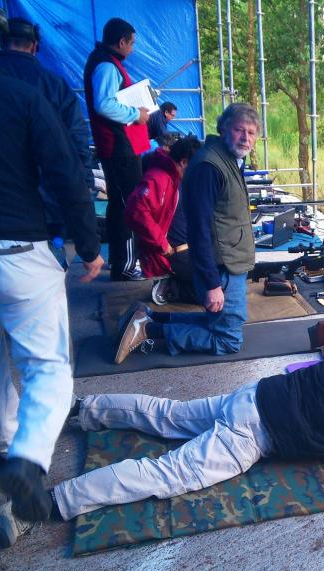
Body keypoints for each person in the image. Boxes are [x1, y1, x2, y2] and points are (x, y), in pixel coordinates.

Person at [0, 323, 324, 546]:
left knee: (168, 414)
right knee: (165, 474)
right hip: (254, 433)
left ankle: (80, 410)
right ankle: (45, 504)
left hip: (254, 397)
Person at [0, 7, 104, 534]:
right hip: (17, 248)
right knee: (48, 367)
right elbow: (66, 172)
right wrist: (89, 245)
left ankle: (6, 442)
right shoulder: (28, 94)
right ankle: (27, 460)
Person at [114, 103, 258, 364]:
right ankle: (148, 330)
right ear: (224, 129)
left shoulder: (227, 159)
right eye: (239, 130)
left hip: (229, 260)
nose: (245, 138)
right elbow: (199, 229)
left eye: (251, 132)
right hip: (223, 265)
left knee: (216, 320)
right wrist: (212, 283)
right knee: (228, 339)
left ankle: (149, 318)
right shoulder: (210, 167)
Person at [0, 16, 97, 229]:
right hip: (44, 199)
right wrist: (85, 182)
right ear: (34, 46)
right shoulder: (53, 84)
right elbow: (77, 137)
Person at [83, 17, 150, 281]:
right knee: (128, 205)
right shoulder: (106, 65)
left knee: (119, 203)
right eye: (131, 43)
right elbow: (104, 104)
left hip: (120, 146)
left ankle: (119, 260)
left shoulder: (105, 61)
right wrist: (136, 114)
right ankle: (126, 265)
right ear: (121, 42)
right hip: (119, 147)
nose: (132, 49)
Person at [124, 136, 201, 286]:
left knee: (227, 274)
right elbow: (135, 211)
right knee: (210, 286)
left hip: (186, 247)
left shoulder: (176, 177)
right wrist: (162, 244)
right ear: (184, 162)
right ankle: (169, 289)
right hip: (170, 253)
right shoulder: (158, 178)